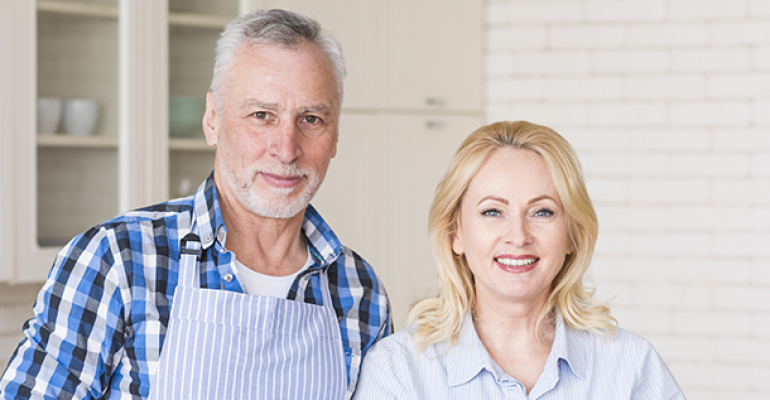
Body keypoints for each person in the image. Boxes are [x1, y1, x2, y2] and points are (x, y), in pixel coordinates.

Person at [1, 9, 391, 400]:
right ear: (212, 119)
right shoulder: (118, 259)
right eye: (261, 115)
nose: (287, 149)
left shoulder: (360, 292)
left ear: (335, 134)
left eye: (310, 119)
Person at [353, 121, 684, 399]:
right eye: (492, 211)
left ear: (571, 234)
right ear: (456, 233)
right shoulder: (399, 369)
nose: (518, 236)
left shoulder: (632, 367)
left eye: (542, 211)